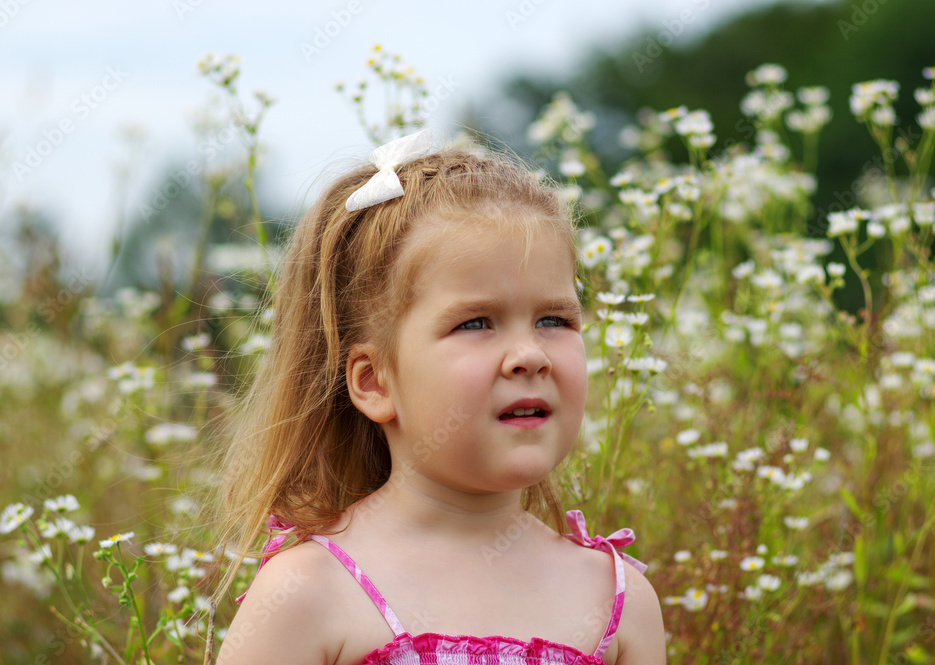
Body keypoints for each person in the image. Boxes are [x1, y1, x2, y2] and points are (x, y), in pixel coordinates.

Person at [210, 130, 666, 664]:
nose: (530, 355)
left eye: (554, 319)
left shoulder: (616, 601)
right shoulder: (311, 592)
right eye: (476, 323)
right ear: (375, 382)